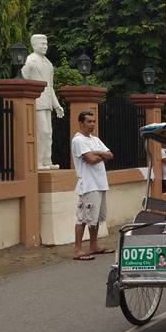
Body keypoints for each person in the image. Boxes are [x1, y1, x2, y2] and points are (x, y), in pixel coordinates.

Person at [71, 111, 114, 261]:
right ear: (81, 123)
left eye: (94, 121)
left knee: (95, 218)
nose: (92, 124)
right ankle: (77, 249)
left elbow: (110, 155)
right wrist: (99, 154)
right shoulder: (78, 140)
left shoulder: (95, 139)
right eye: (89, 122)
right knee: (83, 217)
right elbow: (90, 159)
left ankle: (93, 246)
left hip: (100, 183)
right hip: (88, 184)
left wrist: (97, 153)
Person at [22, 34, 64, 170]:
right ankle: (38, 162)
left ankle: (47, 160)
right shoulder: (29, 61)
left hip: (47, 103)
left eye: (46, 44)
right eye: (42, 44)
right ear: (34, 45)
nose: (45, 46)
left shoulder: (49, 63)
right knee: (42, 132)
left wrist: (56, 105)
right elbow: (24, 81)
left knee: (48, 133)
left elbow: (50, 86)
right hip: (35, 101)